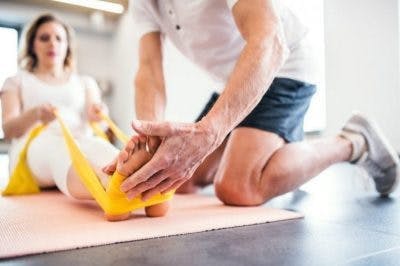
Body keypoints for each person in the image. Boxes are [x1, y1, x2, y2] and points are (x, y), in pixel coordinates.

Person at [108, 0, 399, 205]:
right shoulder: (142, 2)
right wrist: (150, 140)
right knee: (176, 179)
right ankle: (283, 155)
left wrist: (211, 131)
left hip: (284, 65)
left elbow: (269, 40)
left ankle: (354, 141)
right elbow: (149, 71)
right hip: (236, 78)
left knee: (238, 187)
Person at [0, 13, 168, 220]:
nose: (52, 43)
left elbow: (96, 117)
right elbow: (8, 129)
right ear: (32, 44)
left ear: (67, 46)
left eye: (58, 38)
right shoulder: (16, 82)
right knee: (60, 152)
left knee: (100, 148)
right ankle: (111, 187)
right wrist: (36, 114)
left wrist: (99, 113)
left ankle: (140, 183)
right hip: (35, 145)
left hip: (80, 138)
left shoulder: (85, 83)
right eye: (44, 38)